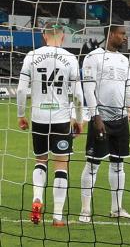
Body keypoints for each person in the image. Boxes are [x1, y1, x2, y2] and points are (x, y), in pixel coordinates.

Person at [16, 22, 84, 226]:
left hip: (39, 118)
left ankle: (37, 198)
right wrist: (79, 119)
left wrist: (21, 115)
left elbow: (21, 90)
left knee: (40, 160)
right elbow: (78, 95)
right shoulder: (70, 58)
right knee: (61, 164)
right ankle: (57, 216)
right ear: (62, 37)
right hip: (61, 119)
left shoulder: (32, 56)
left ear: (44, 36)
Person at [79, 24, 130, 222]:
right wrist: (96, 116)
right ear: (111, 34)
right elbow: (88, 90)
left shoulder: (124, 60)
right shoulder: (93, 57)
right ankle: (85, 211)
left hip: (120, 120)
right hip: (101, 120)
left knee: (118, 165)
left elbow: (128, 91)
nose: (125, 37)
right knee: (93, 165)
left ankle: (117, 209)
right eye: (122, 34)